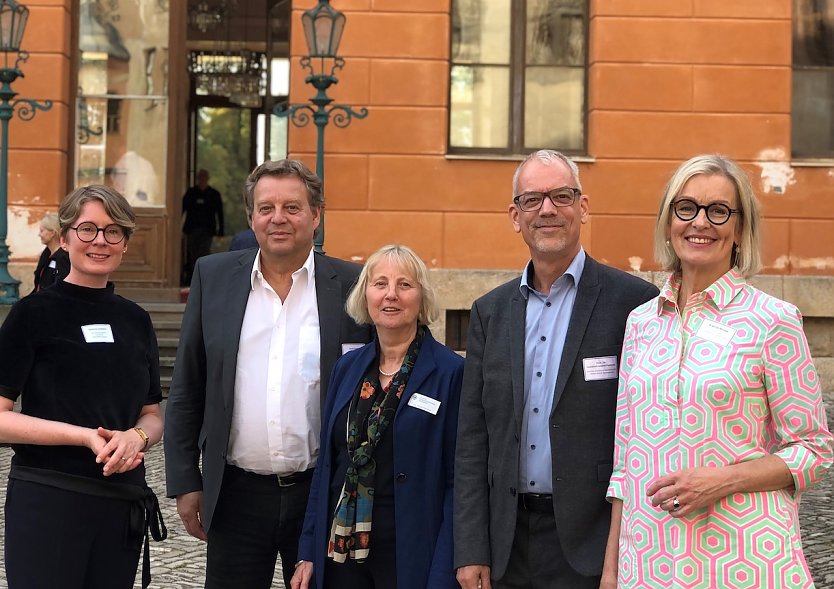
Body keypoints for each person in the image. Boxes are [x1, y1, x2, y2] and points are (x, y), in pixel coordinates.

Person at [603, 154, 834, 589]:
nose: (700, 223)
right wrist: (612, 571)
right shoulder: (640, 323)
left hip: (743, 559)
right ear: (669, 222)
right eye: (686, 208)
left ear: (740, 228)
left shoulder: (772, 320)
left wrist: (721, 480)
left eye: (718, 210)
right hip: (649, 563)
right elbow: (625, 464)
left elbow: (815, 450)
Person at [454, 149, 659, 589]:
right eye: (532, 200)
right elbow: (472, 439)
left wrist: (623, 550)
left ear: (582, 208)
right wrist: (472, 548)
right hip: (506, 547)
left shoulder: (635, 304)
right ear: (515, 216)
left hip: (592, 545)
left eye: (561, 196)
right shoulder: (489, 313)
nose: (547, 209)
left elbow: (646, 437)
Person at [164, 158, 372, 588]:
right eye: (266, 208)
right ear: (251, 216)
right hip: (236, 495)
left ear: (316, 216)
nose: (278, 218)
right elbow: (188, 386)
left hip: (322, 494)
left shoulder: (354, 285)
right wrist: (186, 480)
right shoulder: (213, 277)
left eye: (292, 207)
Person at [0, 185, 166, 589]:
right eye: (87, 229)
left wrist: (137, 437)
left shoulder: (136, 320)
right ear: (65, 237)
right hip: (49, 499)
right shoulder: (32, 313)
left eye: (113, 232)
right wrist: (84, 438)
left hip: (119, 504)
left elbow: (153, 414)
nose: (99, 241)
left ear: (125, 243)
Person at [291, 244, 464, 589]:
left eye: (404, 285)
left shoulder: (451, 372)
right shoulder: (347, 368)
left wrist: (446, 569)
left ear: (421, 298)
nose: (391, 295)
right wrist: (308, 550)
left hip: (411, 553)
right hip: (341, 550)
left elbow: (457, 483)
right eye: (380, 283)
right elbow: (327, 465)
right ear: (365, 295)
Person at [182, 168, 224, 284]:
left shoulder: (214, 194)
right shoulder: (191, 193)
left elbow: (220, 213)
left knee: (203, 253)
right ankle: (191, 278)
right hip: (191, 229)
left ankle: (202, 279)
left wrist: (221, 232)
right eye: (200, 177)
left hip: (207, 230)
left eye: (204, 177)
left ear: (208, 178)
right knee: (191, 254)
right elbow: (181, 209)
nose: (202, 179)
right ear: (197, 179)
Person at [31, 211, 70, 293]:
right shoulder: (46, 253)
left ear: (52, 233)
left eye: (42, 231)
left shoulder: (63, 256)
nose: (39, 234)